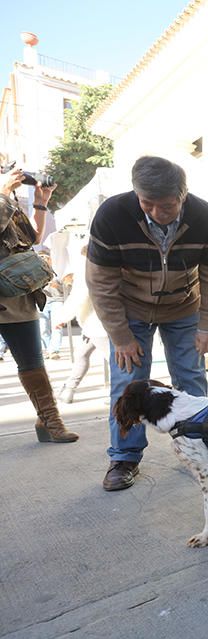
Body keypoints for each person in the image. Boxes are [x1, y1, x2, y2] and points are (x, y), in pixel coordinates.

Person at [87, 156, 208, 491]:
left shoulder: (205, 217)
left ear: (183, 195)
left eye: (164, 206)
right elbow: (100, 283)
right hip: (131, 310)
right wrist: (120, 337)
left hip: (184, 308)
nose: (153, 212)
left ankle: (199, 448)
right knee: (128, 381)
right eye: (145, 203)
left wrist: (207, 325)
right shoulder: (112, 215)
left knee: (191, 378)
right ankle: (124, 457)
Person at [0, 168, 78, 442]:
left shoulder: (7, 201)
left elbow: (32, 238)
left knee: (33, 362)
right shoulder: (4, 197)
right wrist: (4, 192)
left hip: (16, 293)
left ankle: (49, 422)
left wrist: (41, 201)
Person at [56, 244, 110, 403]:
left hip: (96, 323)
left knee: (111, 360)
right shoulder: (108, 267)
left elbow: (78, 297)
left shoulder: (86, 269)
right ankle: (69, 389)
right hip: (97, 323)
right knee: (82, 355)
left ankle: (118, 394)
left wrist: (63, 317)